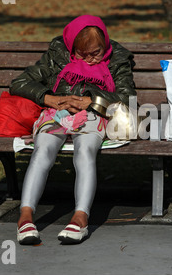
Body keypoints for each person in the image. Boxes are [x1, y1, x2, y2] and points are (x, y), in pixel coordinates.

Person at [9, 15, 136, 245]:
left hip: (93, 115)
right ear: (71, 47)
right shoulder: (57, 54)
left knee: (85, 150)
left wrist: (93, 100)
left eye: (95, 53)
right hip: (57, 114)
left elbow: (128, 97)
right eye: (81, 54)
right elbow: (19, 83)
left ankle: (80, 217)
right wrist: (50, 98)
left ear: (105, 45)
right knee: (43, 149)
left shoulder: (117, 58)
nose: (88, 60)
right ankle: (25, 217)